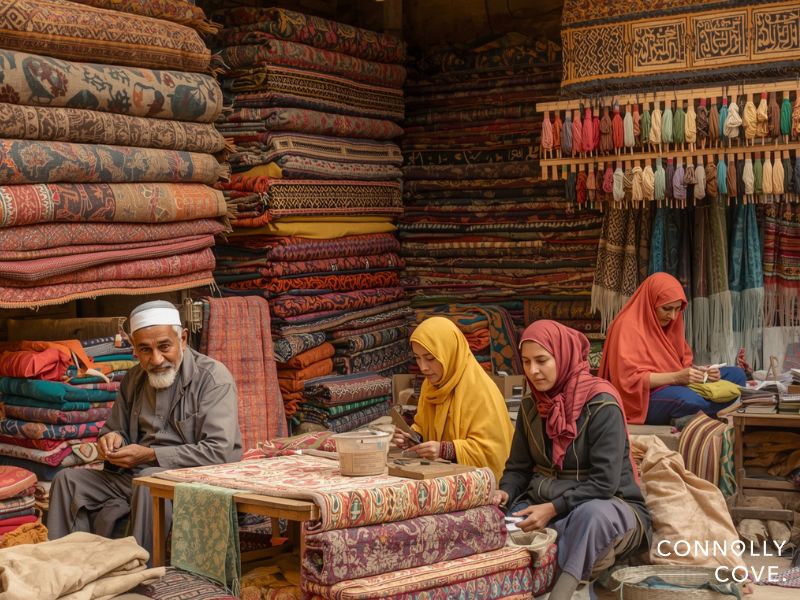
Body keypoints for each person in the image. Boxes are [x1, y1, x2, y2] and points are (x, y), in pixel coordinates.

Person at [47, 300, 243, 556]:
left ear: (183, 339)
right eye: (145, 350)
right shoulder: (134, 379)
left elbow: (221, 452)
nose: (156, 359)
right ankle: (67, 567)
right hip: (134, 477)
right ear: (135, 351)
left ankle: (142, 575)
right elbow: (113, 429)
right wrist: (112, 439)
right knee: (67, 480)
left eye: (164, 347)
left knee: (149, 481)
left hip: (188, 480)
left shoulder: (213, 379)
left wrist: (151, 455)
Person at [494, 320, 651, 600]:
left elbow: (604, 483)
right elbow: (518, 468)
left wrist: (553, 509)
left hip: (608, 503)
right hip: (543, 499)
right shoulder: (532, 406)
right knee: (497, 523)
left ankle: (564, 593)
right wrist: (505, 492)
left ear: (563, 355)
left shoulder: (602, 403)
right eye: (527, 362)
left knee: (590, 519)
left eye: (542, 360)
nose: (533, 371)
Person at [599, 272, 747, 425]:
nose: (673, 316)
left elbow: (681, 365)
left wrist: (704, 373)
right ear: (651, 302)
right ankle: (704, 411)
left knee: (737, 376)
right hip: (643, 397)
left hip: (677, 385)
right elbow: (629, 381)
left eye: (678, 309)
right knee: (690, 400)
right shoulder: (627, 326)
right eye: (667, 308)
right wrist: (676, 377)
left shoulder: (671, 323)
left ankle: (691, 415)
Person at [391, 316, 513, 480]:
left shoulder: (481, 391)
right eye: (417, 358)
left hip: (478, 484)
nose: (423, 367)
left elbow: (493, 452)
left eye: (430, 358)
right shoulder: (431, 386)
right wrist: (413, 439)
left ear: (450, 352)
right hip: (444, 477)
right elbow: (424, 425)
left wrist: (445, 450)